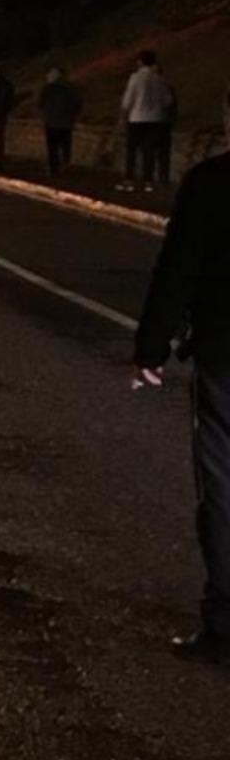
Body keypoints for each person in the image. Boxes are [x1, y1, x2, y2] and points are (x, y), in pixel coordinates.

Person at [134, 88, 230, 664]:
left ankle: (225, 624)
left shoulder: (210, 184)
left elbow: (178, 270)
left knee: (223, 491)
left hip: (225, 357)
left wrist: (152, 346)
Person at [119, 49, 172, 193]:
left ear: (140, 61)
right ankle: (148, 181)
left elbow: (128, 100)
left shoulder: (135, 78)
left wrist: (125, 110)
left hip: (136, 118)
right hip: (156, 119)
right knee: (149, 151)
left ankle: (129, 180)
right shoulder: (160, 79)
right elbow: (168, 101)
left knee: (132, 150)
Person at [37, 67, 81, 178]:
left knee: (52, 147)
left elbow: (40, 103)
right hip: (66, 123)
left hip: (52, 122)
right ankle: (65, 164)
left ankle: (54, 168)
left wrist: (45, 115)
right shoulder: (70, 88)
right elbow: (77, 104)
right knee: (65, 145)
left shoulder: (48, 89)